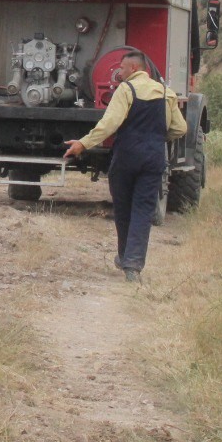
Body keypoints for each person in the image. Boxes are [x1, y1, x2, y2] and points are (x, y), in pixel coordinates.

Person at [63, 49, 187, 283]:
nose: (119, 72)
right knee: (143, 210)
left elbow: (109, 124)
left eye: (122, 68)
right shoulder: (165, 93)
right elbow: (180, 129)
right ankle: (133, 265)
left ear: (134, 69)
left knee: (123, 207)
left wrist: (82, 144)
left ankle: (124, 256)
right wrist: (158, 137)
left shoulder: (126, 90)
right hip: (153, 157)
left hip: (127, 156)